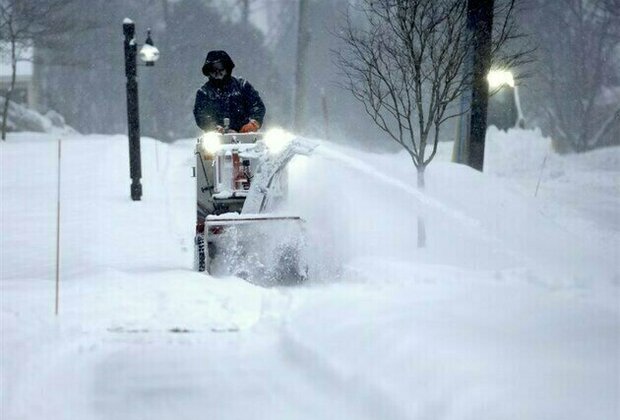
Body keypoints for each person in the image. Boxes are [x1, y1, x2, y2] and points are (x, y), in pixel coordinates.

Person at [193, 50, 266, 133]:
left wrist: (253, 122)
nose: (217, 73)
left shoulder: (242, 86)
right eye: (213, 70)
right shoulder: (204, 92)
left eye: (221, 69)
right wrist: (213, 127)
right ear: (208, 72)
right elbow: (201, 115)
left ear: (227, 68)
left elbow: (257, 105)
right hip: (216, 139)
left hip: (246, 135)